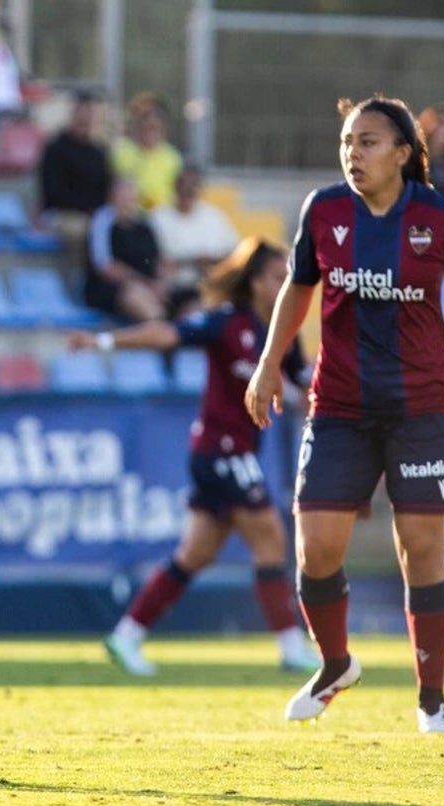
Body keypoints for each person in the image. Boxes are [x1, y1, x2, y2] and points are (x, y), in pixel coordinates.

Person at [245, 95, 444, 735]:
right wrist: (268, 361)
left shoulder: (443, 219)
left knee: (421, 549)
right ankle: (336, 664)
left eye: (367, 142)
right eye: (346, 142)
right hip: (339, 406)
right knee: (317, 551)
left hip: (419, 407)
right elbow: (296, 288)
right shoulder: (324, 209)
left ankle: (431, 698)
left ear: (403, 153)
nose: (352, 153)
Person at [71, 236, 319, 676]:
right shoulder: (228, 322)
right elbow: (167, 333)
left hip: (231, 452)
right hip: (221, 449)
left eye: (288, 278)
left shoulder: (285, 333)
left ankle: (125, 636)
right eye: (277, 278)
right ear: (256, 282)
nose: (286, 286)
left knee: (195, 554)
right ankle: (290, 647)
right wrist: (103, 342)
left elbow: (306, 380)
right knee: (270, 539)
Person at [148, 164, 241, 316]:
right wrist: (192, 261)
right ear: (175, 188)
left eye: (193, 187)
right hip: (171, 290)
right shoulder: (157, 218)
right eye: (184, 187)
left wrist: (210, 262)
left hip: (207, 286)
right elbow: (154, 261)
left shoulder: (214, 216)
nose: (188, 192)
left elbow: (235, 253)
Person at [38, 88, 111, 274]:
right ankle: (81, 281)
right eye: (81, 113)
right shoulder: (55, 149)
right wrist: (88, 210)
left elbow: (106, 188)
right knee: (83, 231)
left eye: (90, 114)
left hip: (93, 214)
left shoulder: (99, 152)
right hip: (62, 214)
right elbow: (53, 193)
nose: (85, 119)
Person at [84, 177, 176, 323]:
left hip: (148, 285)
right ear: (112, 197)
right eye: (123, 197)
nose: (127, 202)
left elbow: (161, 261)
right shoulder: (102, 221)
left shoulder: (146, 224)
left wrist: (162, 282)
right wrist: (145, 283)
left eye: (131, 197)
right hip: (111, 288)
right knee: (139, 297)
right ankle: (158, 330)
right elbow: (105, 267)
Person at [112, 92, 183, 211]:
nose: (150, 130)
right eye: (145, 123)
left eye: (154, 128)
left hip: (161, 219)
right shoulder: (121, 153)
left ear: (164, 128)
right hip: (128, 218)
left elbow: (175, 198)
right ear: (137, 125)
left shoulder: (173, 159)